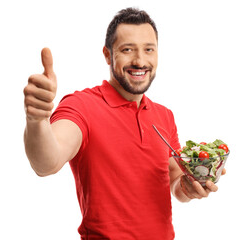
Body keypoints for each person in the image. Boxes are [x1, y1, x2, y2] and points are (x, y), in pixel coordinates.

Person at [23, 7, 225, 239]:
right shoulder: (82, 105)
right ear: (108, 55)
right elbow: (47, 162)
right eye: (127, 50)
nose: (140, 61)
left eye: (148, 50)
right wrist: (36, 119)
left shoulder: (165, 116)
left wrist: (190, 187)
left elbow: (175, 182)